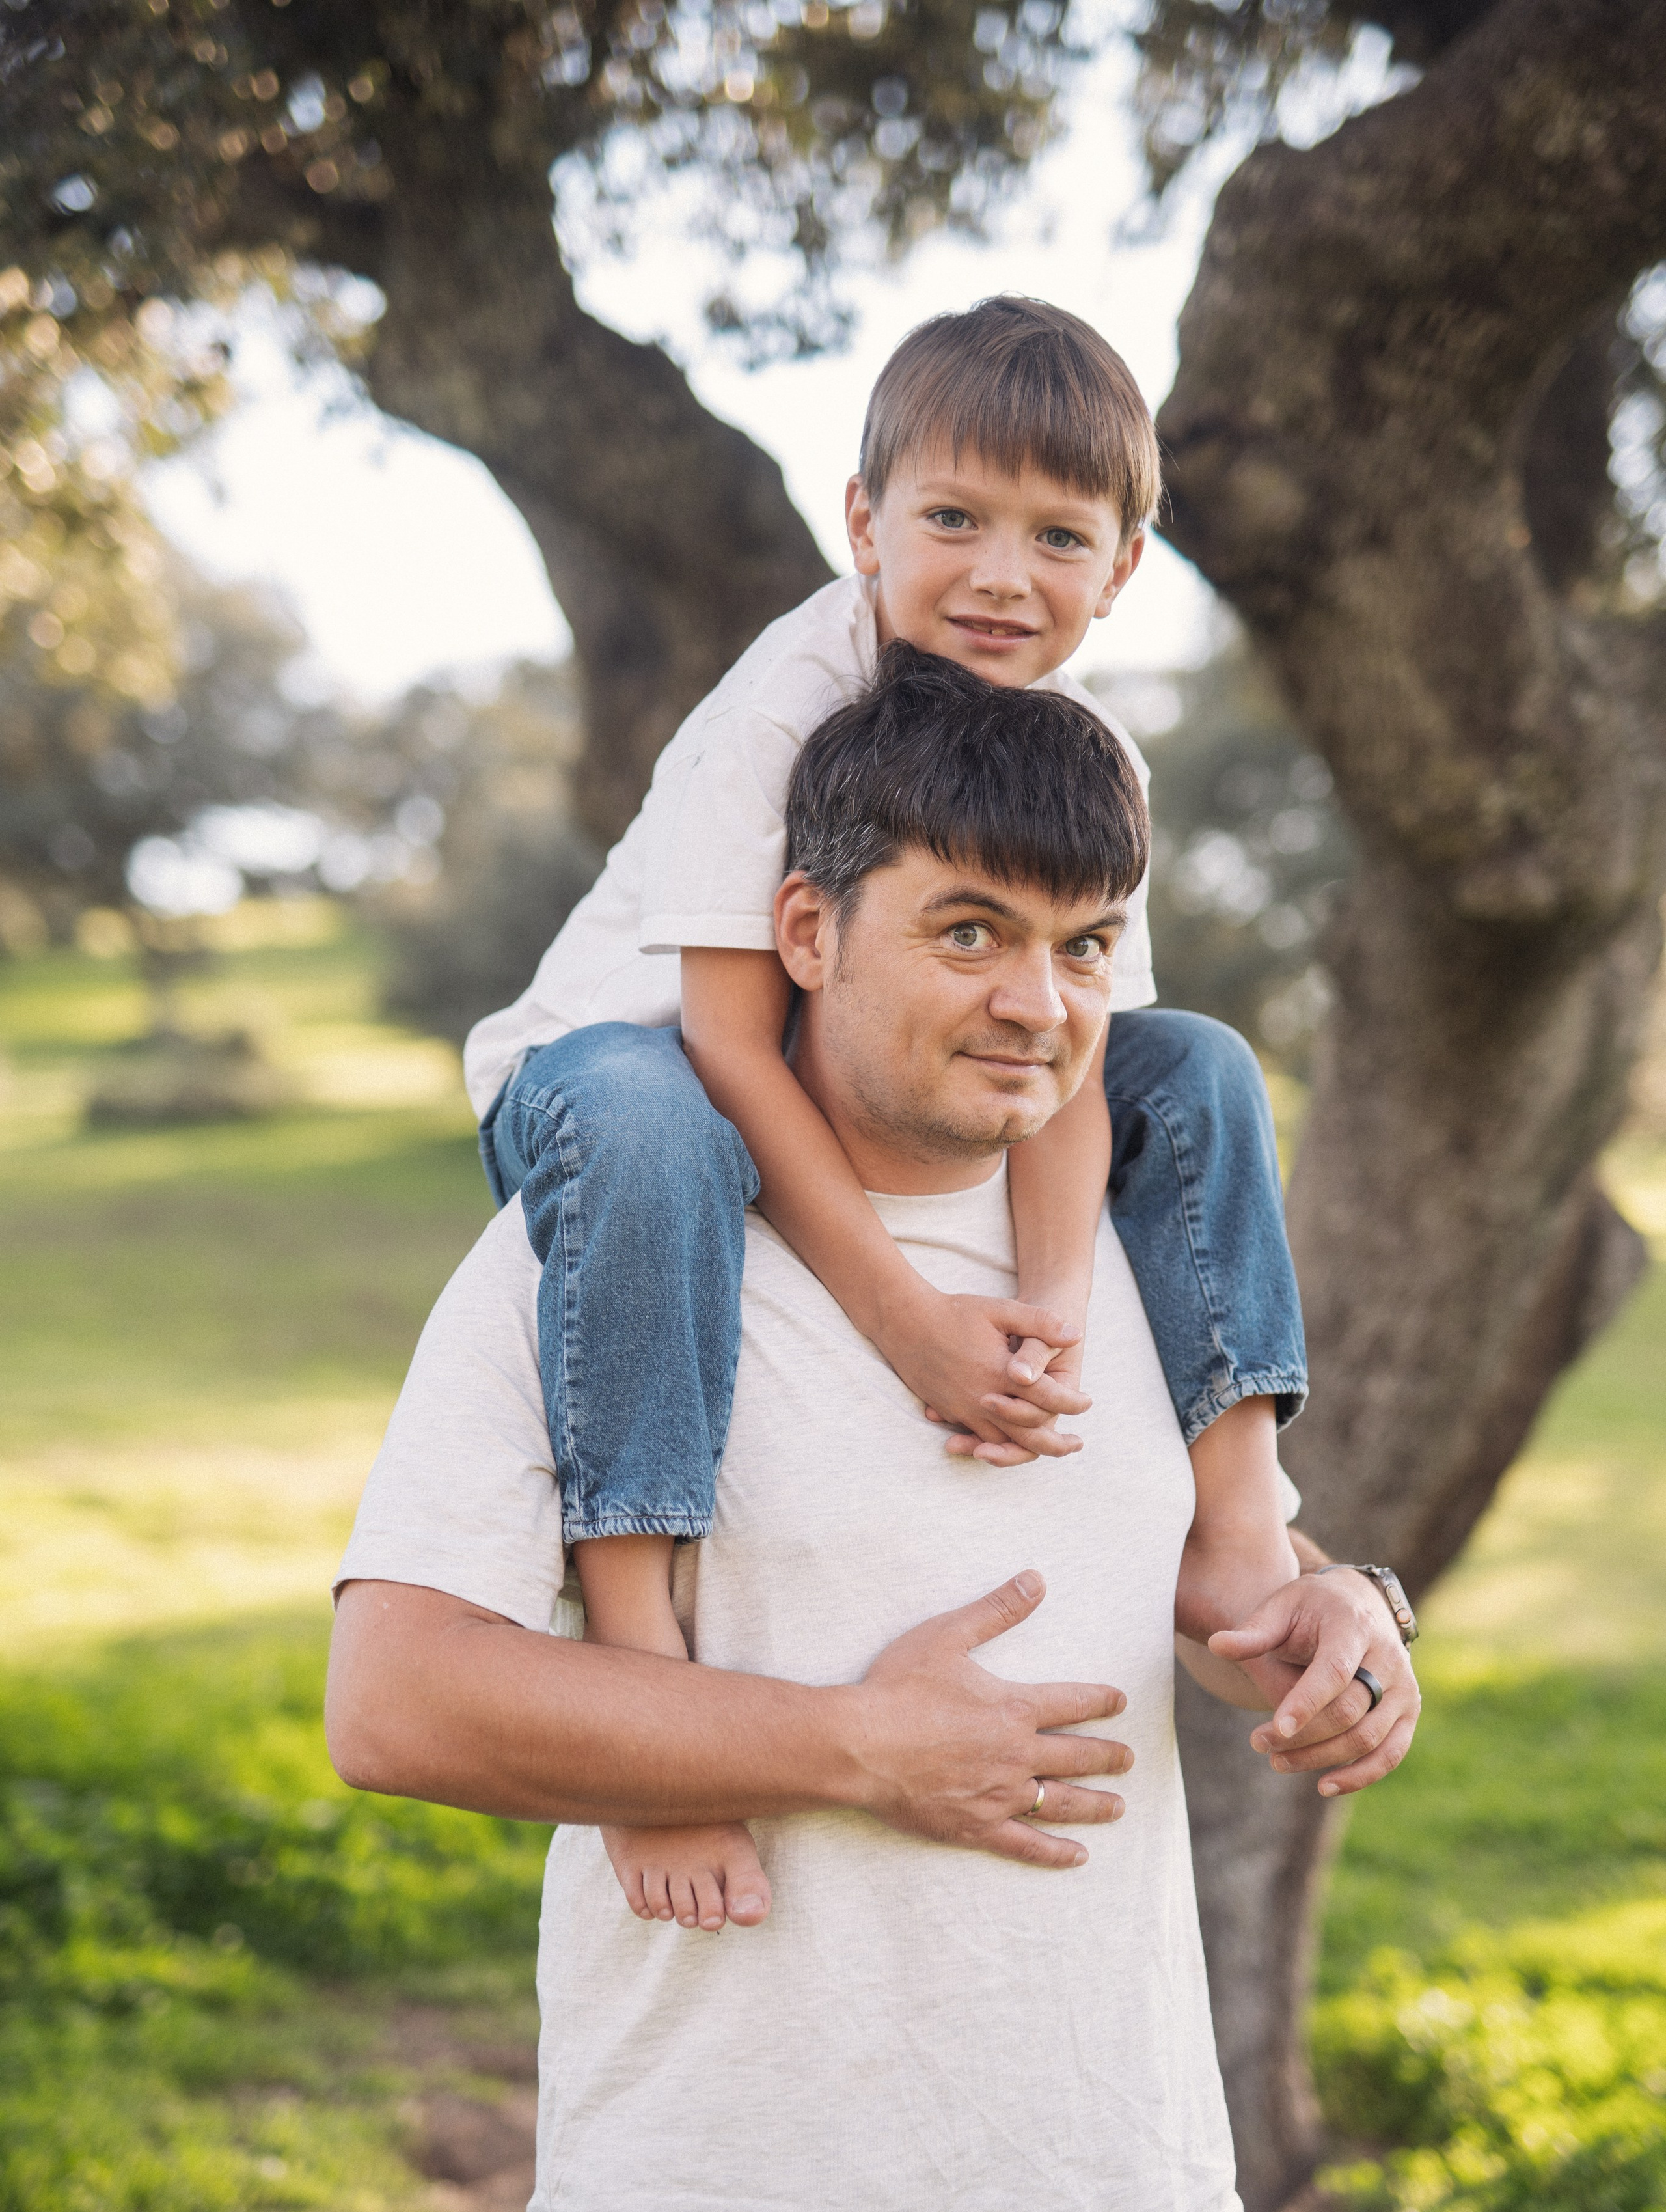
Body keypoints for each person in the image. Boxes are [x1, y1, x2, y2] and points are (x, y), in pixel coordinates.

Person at [327, 648, 1420, 2212]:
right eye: (974, 932)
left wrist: (1342, 1622)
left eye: (1087, 946)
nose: (1041, 1003)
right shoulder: (603, 1239)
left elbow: (1227, 1595)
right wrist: (854, 1745)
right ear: (805, 932)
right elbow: (395, 1701)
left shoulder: (1130, 1239)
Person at [461, 297, 1308, 1933]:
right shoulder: (781, 706)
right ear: (862, 524)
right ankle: (644, 1684)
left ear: (1123, 567)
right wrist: (908, 1318)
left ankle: (1243, 1528)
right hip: (609, 1077)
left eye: (1057, 535)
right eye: (950, 520)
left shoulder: (1087, 763)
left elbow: (1070, 1049)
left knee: (1195, 1063)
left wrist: (1041, 1312)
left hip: (831, 1072)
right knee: (655, 1133)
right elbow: (720, 1035)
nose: (1000, 575)